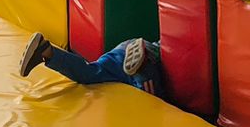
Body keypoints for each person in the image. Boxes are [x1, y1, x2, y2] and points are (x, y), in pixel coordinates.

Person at [18, 33, 164, 97]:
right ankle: (143, 68)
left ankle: (46, 51)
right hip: (151, 55)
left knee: (90, 73)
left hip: (127, 48)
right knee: (152, 99)